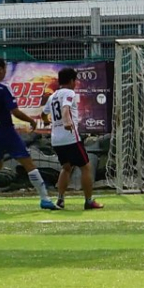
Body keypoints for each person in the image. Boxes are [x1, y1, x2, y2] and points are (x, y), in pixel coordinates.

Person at [0, 56, 58, 211]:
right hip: (7, 131)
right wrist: (31, 121)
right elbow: (14, 111)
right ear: (0, 69)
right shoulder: (3, 88)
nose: (5, 72)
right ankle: (45, 198)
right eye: (5, 69)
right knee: (29, 164)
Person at [41, 67, 103, 210]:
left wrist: (46, 121)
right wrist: (67, 122)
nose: (76, 83)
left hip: (56, 140)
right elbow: (65, 109)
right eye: (75, 80)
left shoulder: (53, 96)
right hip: (70, 138)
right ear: (71, 81)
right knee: (86, 167)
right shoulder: (69, 92)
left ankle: (60, 200)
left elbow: (44, 114)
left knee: (66, 167)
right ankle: (88, 201)